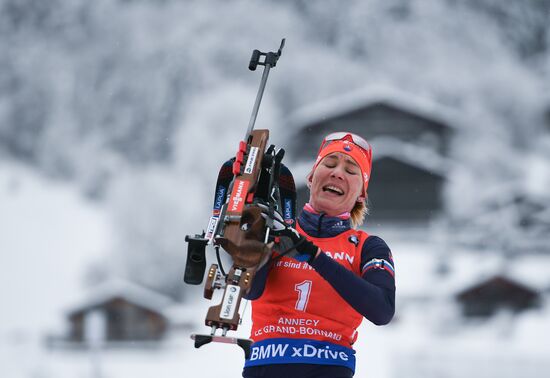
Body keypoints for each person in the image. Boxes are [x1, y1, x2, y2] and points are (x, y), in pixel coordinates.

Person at [241, 132, 396, 378]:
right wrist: (253, 220)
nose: (337, 173)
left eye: (351, 170)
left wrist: (314, 256)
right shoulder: (277, 231)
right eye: (330, 164)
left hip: (328, 369)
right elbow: (251, 290)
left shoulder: (368, 247)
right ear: (312, 177)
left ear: (361, 194)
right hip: (264, 366)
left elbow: (382, 311)